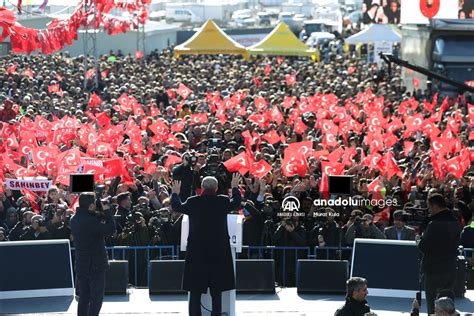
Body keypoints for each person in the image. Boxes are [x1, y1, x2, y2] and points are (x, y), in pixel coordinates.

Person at [170, 173, 242, 316]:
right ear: (216, 188)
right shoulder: (222, 201)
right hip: (218, 251)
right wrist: (234, 188)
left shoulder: (192, 202)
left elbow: (176, 206)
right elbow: (236, 203)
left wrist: (175, 193)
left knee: (195, 289)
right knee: (217, 289)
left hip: (197, 252)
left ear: (201, 187)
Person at [71, 192, 116, 316]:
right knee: (96, 297)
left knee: (84, 296)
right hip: (95, 264)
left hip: (81, 263)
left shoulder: (74, 219)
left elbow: (94, 218)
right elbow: (111, 228)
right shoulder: (91, 221)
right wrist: (106, 210)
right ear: (91, 206)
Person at [417, 194, 462, 315]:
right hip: (450, 268)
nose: (429, 210)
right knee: (448, 303)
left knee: (433, 305)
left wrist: (419, 240)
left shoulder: (433, 225)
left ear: (435, 206)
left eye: (429, 207)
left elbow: (423, 247)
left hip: (433, 269)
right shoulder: (456, 222)